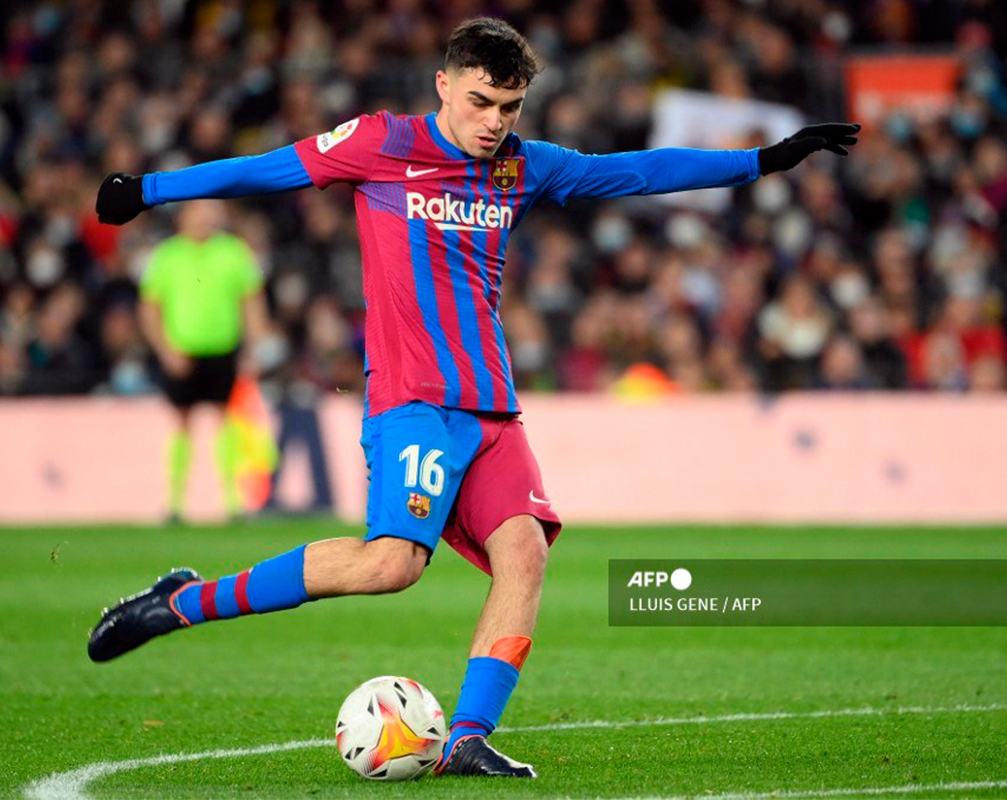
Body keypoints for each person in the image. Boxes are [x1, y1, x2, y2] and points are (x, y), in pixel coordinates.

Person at [89, 17, 859, 777]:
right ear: (445, 85)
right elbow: (270, 169)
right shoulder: (381, 144)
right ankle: (184, 602)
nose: (495, 123)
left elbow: (639, 169)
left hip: (491, 407)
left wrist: (761, 161)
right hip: (412, 401)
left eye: (510, 107)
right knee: (390, 565)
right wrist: (150, 190)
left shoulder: (524, 166)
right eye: (482, 102)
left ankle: (466, 738)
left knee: (524, 552)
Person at [138, 199, 268, 523]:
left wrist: (253, 349)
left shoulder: (234, 252)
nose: (204, 220)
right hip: (183, 352)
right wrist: (165, 350)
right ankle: (175, 503)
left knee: (228, 422)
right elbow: (149, 308)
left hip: (224, 350)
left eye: (209, 215)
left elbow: (252, 302)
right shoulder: (168, 255)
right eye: (197, 214)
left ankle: (232, 501)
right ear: (183, 218)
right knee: (182, 422)